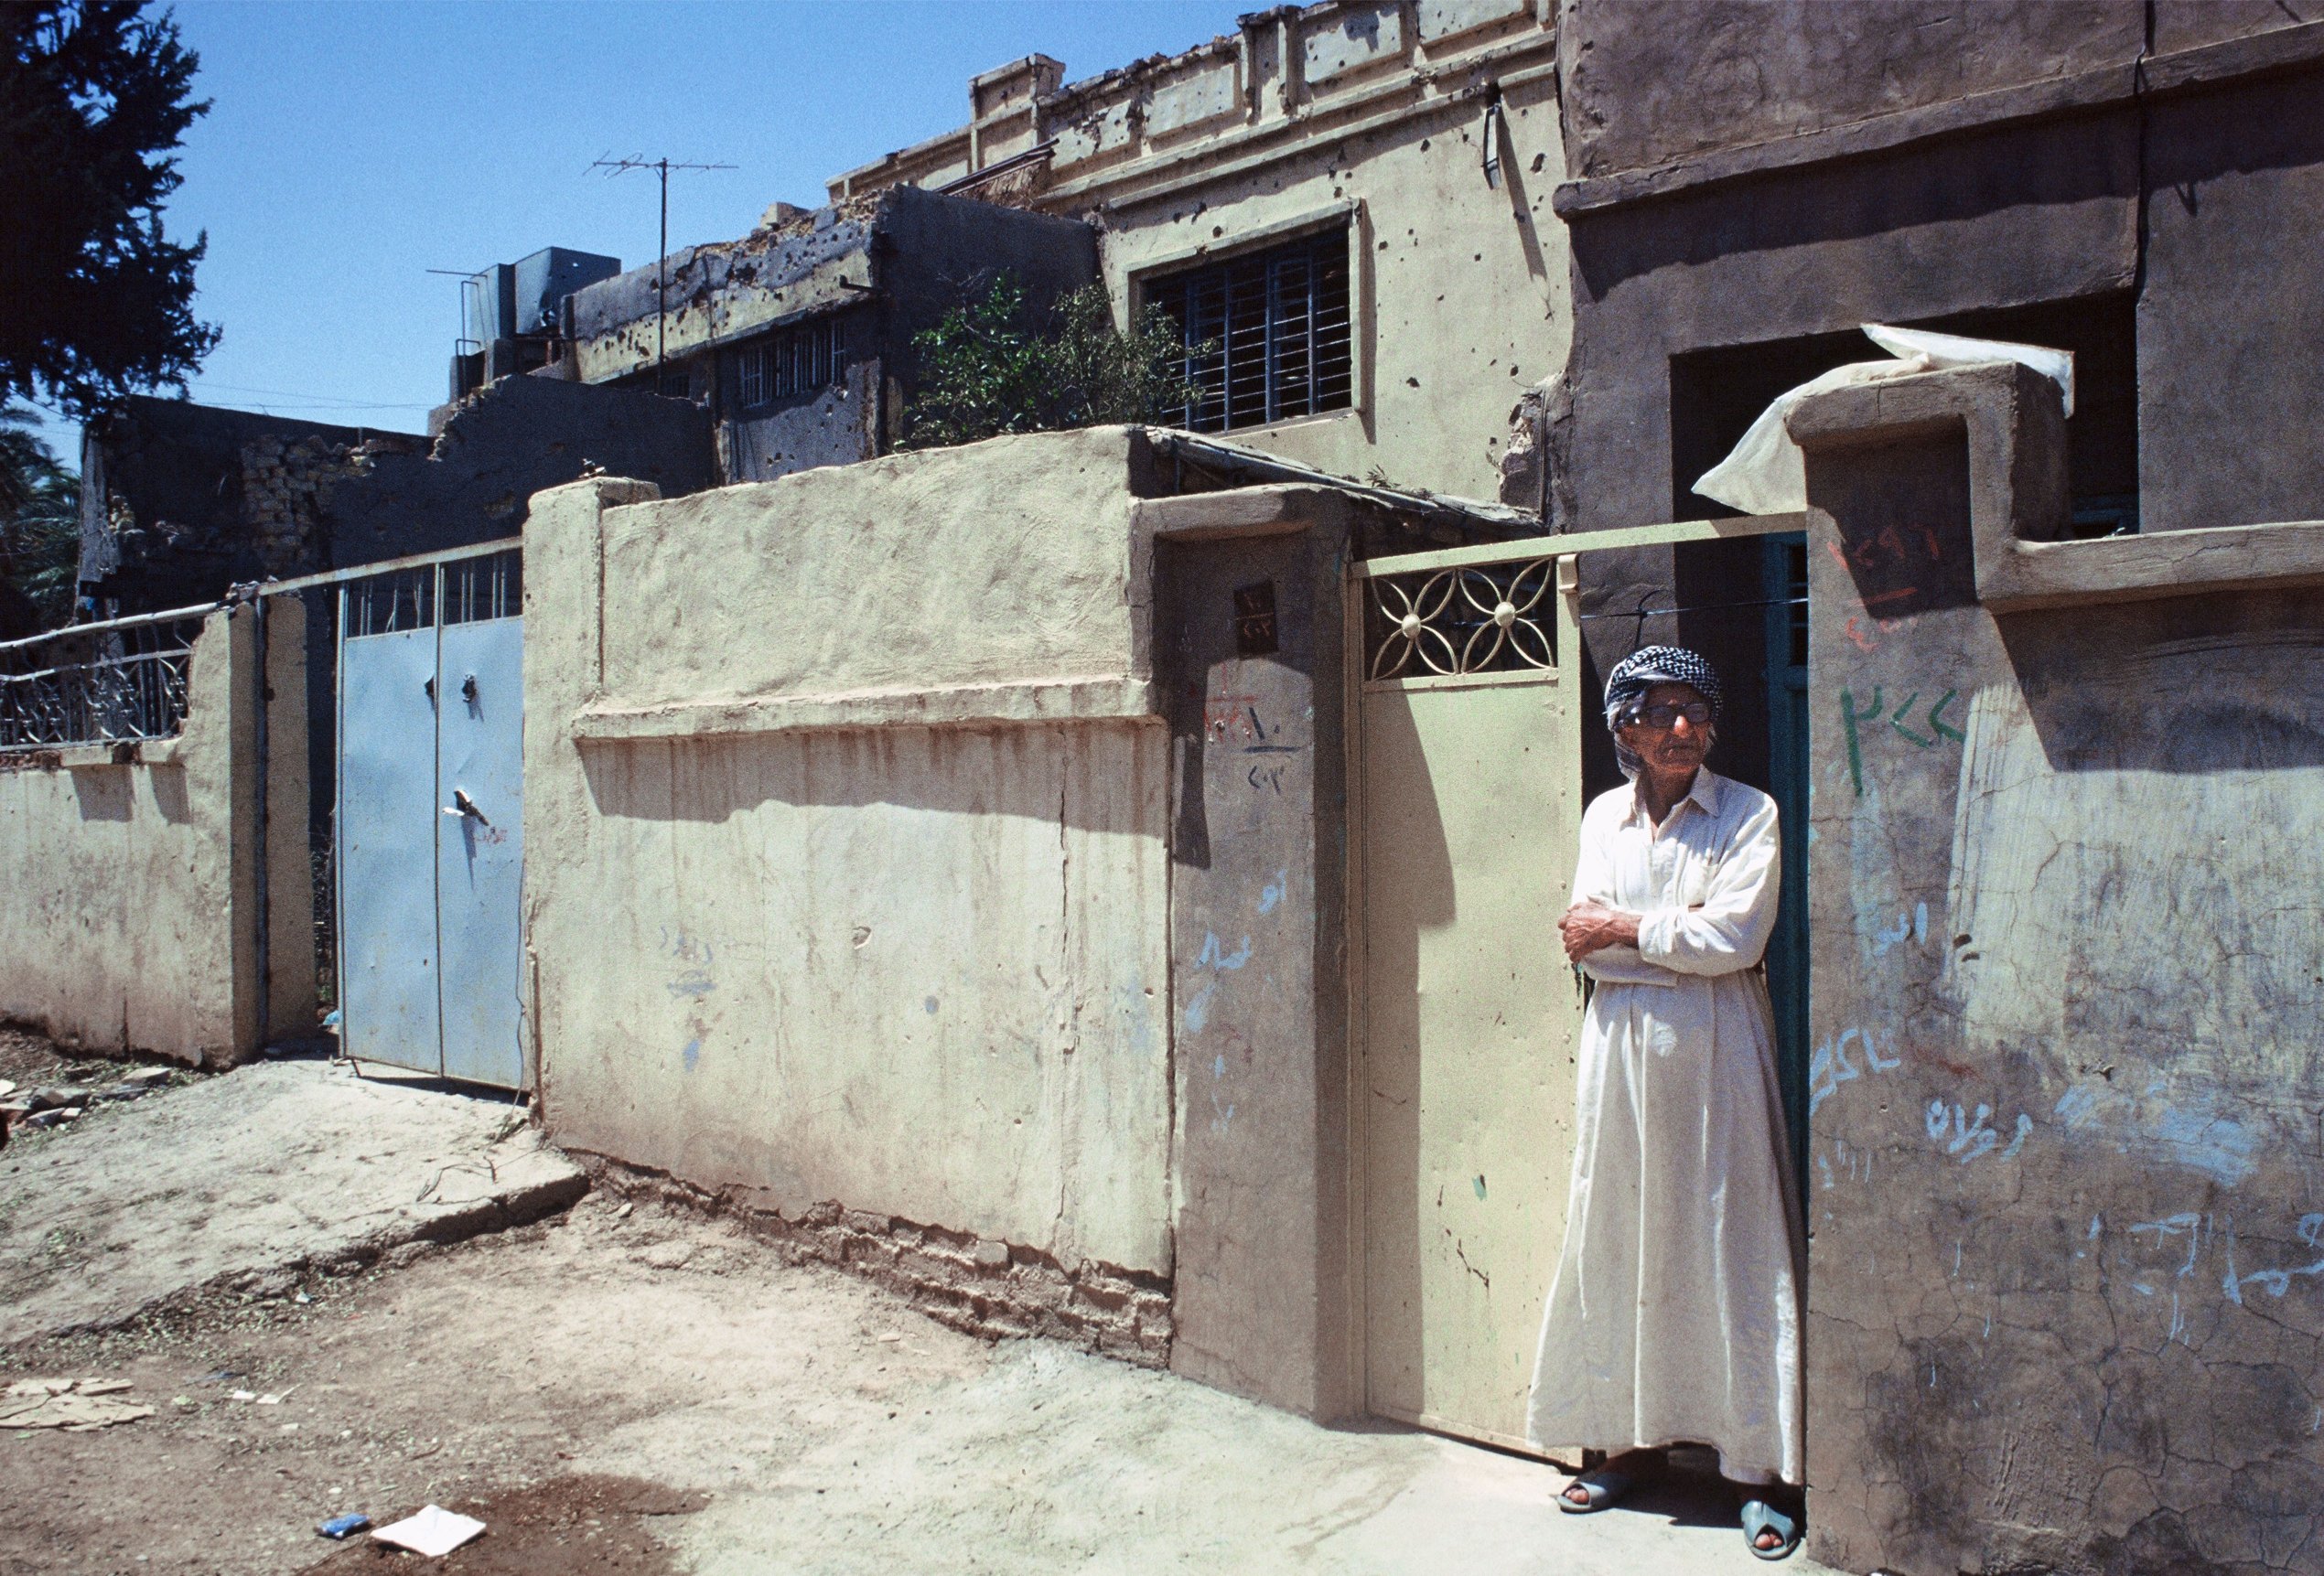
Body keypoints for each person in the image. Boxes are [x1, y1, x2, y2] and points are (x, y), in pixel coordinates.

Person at [1525, 645, 1806, 1561]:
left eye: (1695, 711)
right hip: (1620, 1056)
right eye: (1659, 713)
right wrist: (1659, 944)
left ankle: (1755, 1471)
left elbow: (1735, 939)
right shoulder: (1604, 818)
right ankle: (1627, 1445)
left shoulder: (1748, 813)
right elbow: (1585, 945)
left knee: (1729, 1241)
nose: (1680, 728)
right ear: (1625, 729)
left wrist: (1628, 930)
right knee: (1622, 1233)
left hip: (1718, 1050)